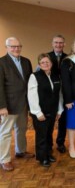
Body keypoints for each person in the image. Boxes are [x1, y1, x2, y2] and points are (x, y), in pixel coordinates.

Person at [0, 37, 34, 171]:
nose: (16, 49)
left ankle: (21, 151)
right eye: (13, 46)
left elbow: (30, 83)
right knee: (5, 132)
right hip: (8, 105)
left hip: (23, 103)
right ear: (6, 47)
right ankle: (4, 159)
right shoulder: (2, 63)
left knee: (22, 128)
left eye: (18, 46)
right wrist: (2, 106)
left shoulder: (26, 61)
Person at [28, 53, 64, 167]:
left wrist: (59, 110)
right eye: (42, 62)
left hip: (52, 111)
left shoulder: (55, 76)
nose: (45, 64)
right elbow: (32, 96)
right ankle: (42, 157)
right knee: (41, 136)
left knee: (49, 134)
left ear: (51, 64)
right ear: (39, 64)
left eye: (47, 62)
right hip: (40, 113)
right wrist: (37, 112)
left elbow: (59, 94)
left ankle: (48, 153)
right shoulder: (34, 76)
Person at [47, 35, 68, 154]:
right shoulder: (47, 56)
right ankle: (48, 144)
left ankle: (60, 143)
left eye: (61, 43)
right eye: (56, 42)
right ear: (52, 43)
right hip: (50, 93)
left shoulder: (68, 57)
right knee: (50, 121)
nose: (58, 45)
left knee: (63, 120)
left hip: (64, 93)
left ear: (64, 44)